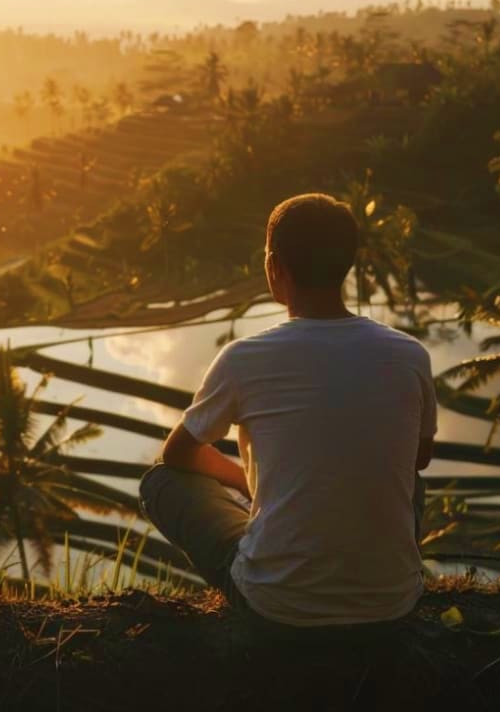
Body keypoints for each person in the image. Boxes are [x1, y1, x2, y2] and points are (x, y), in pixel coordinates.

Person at [139, 193, 436, 631]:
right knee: (410, 482)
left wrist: (246, 483)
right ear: (347, 263)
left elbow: (177, 453)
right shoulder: (409, 354)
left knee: (161, 482)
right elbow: (418, 459)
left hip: (276, 606)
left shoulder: (244, 359)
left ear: (274, 266)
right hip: (393, 602)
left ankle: (270, 569)